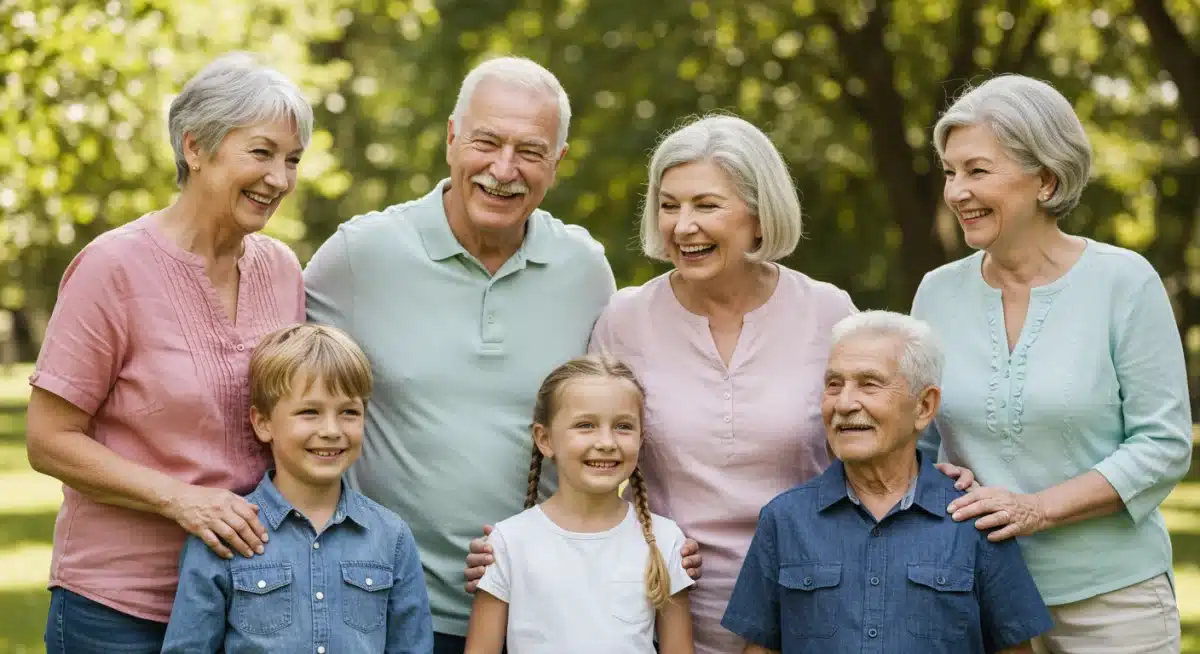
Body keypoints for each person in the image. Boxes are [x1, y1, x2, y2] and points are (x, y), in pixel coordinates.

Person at [465, 113, 976, 653]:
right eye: (669, 205)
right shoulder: (624, 319)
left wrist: (935, 475)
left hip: (815, 608)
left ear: (759, 216)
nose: (683, 226)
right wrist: (524, 545)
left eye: (706, 205)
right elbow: (586, 452)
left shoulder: (827, 312)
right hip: (661, 608)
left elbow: (883, 427)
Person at [303, 55, 702, 654]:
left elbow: (618, 415)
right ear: (450, 139)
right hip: (383, 606)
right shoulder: (360, 256)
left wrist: (655, 538)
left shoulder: (584, 270)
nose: (503, 169)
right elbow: (276, 392)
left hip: (550, 617)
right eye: (486, 142)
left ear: (557, 163)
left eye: (531, 151)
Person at [25, 52, 311, 652]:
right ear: (195, 147)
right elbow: (49, 440)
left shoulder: (283, 270)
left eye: (292, 160)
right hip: (118, 605)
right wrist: (182, 500)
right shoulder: (113, 267)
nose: (280, 179)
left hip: (248, 597)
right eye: (260, 153)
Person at [912, 74, 1191, 652]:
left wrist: (1036, 509)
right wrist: (935, 475)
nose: (956, 191)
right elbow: (921, 442)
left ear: (1046, 179)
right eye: (949, 171)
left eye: (977, 170)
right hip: (977, 595)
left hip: (1113, 602)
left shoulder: (1124, 282)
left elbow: (1163, 445)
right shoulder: (935, 293)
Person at [722, 310, 1053, 653]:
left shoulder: (975, 520)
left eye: (869, 384)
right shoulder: (784, 519)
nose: (845, 403)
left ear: (924, 406)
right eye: (834, 384)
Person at [161, 324, 433, 652]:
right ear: (263, 423)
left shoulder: (393, 538)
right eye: (309, 412)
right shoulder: (225, 535)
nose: (331, 430)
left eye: (349, 412)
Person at [463, 355, 694, 653]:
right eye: (585, 425)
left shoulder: (664, 541)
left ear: (641, 439)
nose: (607, 442)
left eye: (623, 426)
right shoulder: (508, 543)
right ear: (544, 439)